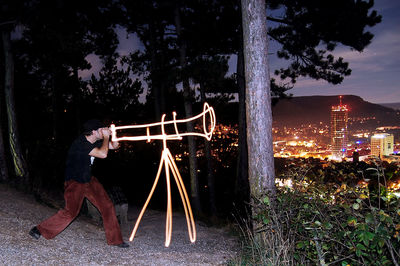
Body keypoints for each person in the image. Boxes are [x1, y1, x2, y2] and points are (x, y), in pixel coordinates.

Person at [29, 119, 129, 248]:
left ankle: (116, 240)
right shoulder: (81, 144)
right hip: (75, 181)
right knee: (71, 212)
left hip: (88, 179)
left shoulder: (96, 140)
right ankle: (39, 229)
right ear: (93, 131)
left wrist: (113, 134)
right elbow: (103, 154)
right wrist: (106, 137)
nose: (103, 130)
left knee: (107, 206)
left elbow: (115, 146)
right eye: (101, 129)